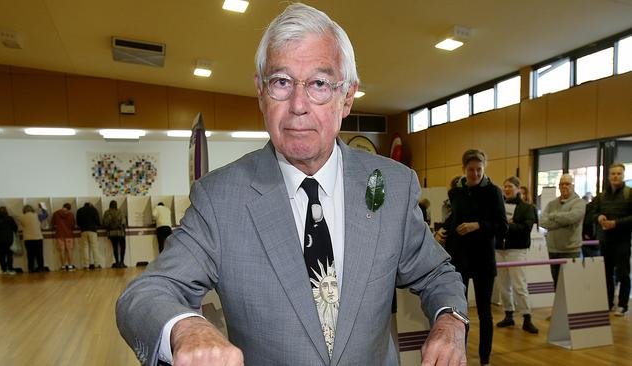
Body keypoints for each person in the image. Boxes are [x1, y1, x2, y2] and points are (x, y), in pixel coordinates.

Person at [117, 4, 468, 366]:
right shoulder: (221, 199)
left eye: (319, 84)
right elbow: (146, 294)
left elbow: (436, 272)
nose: (298, 105)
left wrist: (450, 320)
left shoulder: (392, 185)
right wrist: (185, 327)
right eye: (281, 82)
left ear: (346, 97)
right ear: (261, 92)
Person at [442, 149, 507, 366]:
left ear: (484, 169)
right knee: (459, 313)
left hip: (483, 261)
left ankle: (485, 359)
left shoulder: (494, 192)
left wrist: (477, 225)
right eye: (471, 170)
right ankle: (461, 356)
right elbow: (454, 220)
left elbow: (501, 226)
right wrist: (443, 231)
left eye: (479, 170)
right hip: (460, 260)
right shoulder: (456, 193)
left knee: (484, 312)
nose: (475, 174)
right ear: (464, 169)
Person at [495, 177, 538, 334]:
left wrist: (507, 226)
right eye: (505, 186)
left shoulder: (527, 207)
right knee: (503, 285)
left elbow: (526, 228)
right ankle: (508, 315)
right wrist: (507, 224)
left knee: (520, 285)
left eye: (510, 186)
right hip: (499, 249)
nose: (507, 189)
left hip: (517, 250)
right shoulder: (498, 206)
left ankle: (527, 317)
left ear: (518, 188)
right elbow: (494, 226)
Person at [590, 163, 632, 316]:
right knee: (606, 273)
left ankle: (623, 304)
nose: (615, 176)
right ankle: (608, 303)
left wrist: (616, 223)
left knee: (623, 273)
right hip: (605, 240)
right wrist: (599, 218)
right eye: (613, 174)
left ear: (623, 176)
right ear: (608, 176)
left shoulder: (629, 194)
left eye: (618, 174)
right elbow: (593, 213)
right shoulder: (601, 196)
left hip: (623, 240)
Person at [538, 174, 586, 288]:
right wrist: (562, 221)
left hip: (570, 250)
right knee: (556, 284)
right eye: (561, 184)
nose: (564, 186)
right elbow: (542, 221)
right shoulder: (551, 204)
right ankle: (559, 306)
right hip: (553, 250)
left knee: (570, 284)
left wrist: (553, 216)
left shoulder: (579, 203)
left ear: (573, 186)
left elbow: (572, 218)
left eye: (567, 184)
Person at [19, 204, 47, 272]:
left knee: (30, 255)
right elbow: (45, 215)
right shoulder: (37, 215)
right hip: (37, 238)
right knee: (39, 254)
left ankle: (31, 269)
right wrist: (42, 208)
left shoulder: (21, 217)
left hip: (27, 239)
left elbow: (23, 225)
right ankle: (41, 268)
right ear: (32, 209)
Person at [0, 206, 18, 275]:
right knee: (9, 254)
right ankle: (10, 269)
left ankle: (3, 269)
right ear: (6, 211)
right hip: (8, 239)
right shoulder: (9, 218)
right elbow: (15, 228)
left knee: (1, 255)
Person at [76, 202, 101, 270]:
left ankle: (86, 265)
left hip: (83, 230)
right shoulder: (94, 210)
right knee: (94, 248)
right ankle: (96, 264)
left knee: (85, 248)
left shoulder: (79, 210)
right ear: (90, 205)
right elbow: (98, 221)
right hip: (92, 230)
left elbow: (78, 222)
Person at [52, 203, 76, 271]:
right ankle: (70, 266)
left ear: (63, 206)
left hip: (59, 235)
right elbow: (73, 225)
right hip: (69, 235)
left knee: (62, 251)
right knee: (69, 250)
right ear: (69, 209)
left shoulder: (56, 213)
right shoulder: (70, 214)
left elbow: (53, 224)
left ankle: (63, 266)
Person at [103, 200, 127, 268]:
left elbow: (105, 223)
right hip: (121, 233)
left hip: (112, 233)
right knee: (123, 247)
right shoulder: (120, 212)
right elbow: (124, 223)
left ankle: (117, 263)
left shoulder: (107, 212)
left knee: (115, 248)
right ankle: (122, 262)